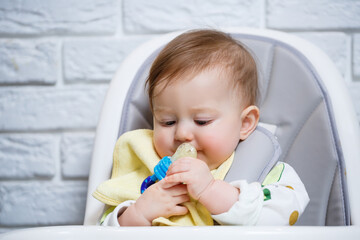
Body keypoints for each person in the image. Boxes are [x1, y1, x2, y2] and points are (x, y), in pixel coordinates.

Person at [93, 29, 309, 226]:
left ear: (245, 123)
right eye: (168, 122)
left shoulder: (266, 170)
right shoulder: (142, 165)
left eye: (202, 121)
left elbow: (281, 220)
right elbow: (100, 232)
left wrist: (211, 190)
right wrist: (138, 214)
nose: (182, 134)